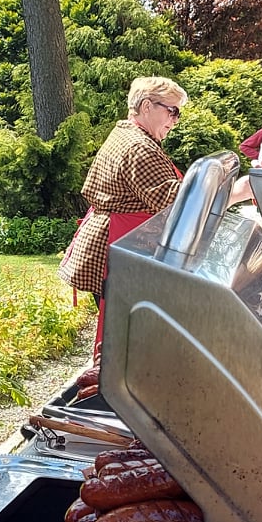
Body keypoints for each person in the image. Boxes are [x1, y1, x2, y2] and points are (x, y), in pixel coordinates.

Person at [59, 76, 187, 367]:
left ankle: (120, 392)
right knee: (126, 339)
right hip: (118, 246)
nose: (175, 120)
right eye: (172, 111)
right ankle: (119, 398)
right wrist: (233, 192)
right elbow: (173, 200)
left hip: (115, 243)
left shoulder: (127, 134)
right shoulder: (139, 146)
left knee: (125, 337)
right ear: (146, 106)